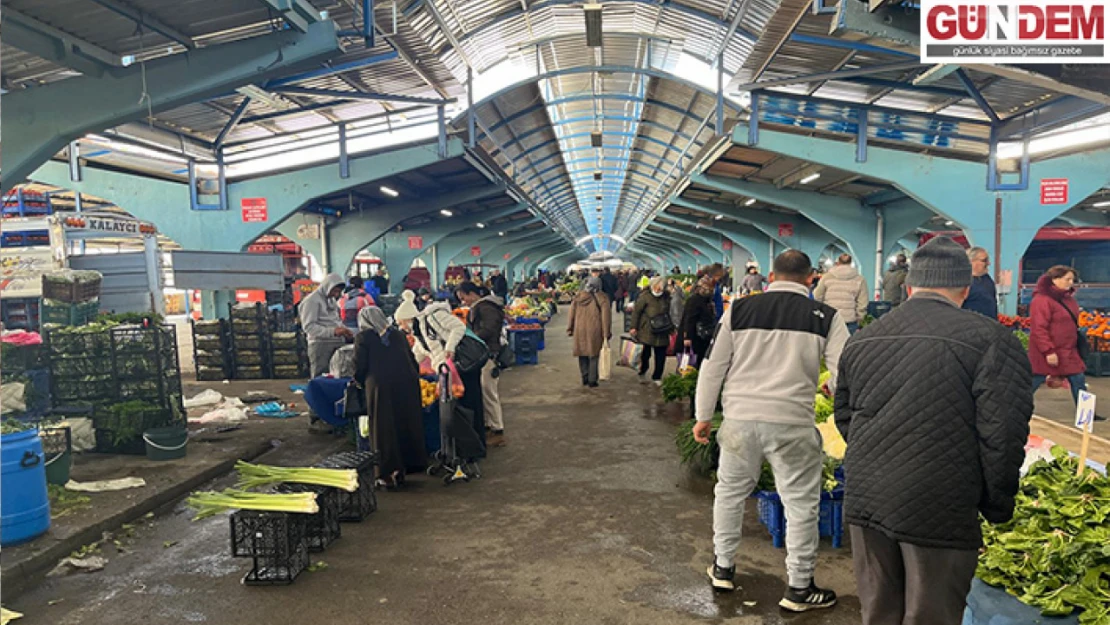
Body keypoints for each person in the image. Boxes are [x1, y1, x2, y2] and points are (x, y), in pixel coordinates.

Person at [834, 237, 1033, 625]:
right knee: (932, 615)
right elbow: (1003, 433)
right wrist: (997, 503)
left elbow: (846, 416)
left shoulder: (865, 339)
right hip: (940, 503)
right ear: (966, 287)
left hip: (866, 499)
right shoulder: (991, 340)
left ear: (910, 286)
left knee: (878, 612)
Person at [694, 250, 849, 611]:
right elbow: (845, 374)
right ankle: (799, 587)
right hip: (792, 423)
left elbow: (713, 366)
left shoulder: (739, 310)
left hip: (740, 421)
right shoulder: (827, 317)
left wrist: (703, 415)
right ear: (812, 278)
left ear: (770, 276)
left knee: (730, 493)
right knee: (800, 505)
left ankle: (723, 567)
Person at [394, 290, 486, 459]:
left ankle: (477, 447)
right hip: (449, 372)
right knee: (458, 408)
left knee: (470, 403)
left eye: (401, 323)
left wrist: (450, 348)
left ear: (408, 318)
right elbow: (418, 354)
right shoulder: (418, 334)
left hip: (464, 364)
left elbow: (458, 327)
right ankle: (467, 447)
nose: (402, 327)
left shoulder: (433, 317)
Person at [353, 307, 427, 489]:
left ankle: (385, 473)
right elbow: (412, 360)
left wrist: (359, 382)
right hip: (406, 384)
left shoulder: (364, 337)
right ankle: (402, 469)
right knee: (405, 423)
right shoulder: (398, 335)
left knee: (383, 428)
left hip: (380, 388)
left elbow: (359, 366)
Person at [1029, 266, 1097, 409]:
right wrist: (1048, 351)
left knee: (1078, 378)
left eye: (1072, 279)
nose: (1071, 282)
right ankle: (1014, 409)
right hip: (1047, 352)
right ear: (1055, 280)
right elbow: (1039, 328)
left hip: (1068, 350)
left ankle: (1086, 415)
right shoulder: (1042, 300)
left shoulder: (1069, 300)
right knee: (1034, 381)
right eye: (1067, 279)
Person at [456, 281, 507, 447]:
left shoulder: (486, 307)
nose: (464, 302)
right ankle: (488, 426)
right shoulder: (483, 306)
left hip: (489, 354)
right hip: (484, 353)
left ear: (472, 293)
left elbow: (489, 328)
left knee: (489, 392)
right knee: (484, 391)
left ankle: (497, 430)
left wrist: (471, 339)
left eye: (464, 298)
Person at [299, 273, 354, 377]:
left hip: (336, 342)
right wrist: (333, 331)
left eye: (338, 291)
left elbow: (336, 320)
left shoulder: (332, 300)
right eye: (334, 290)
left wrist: (344, 330)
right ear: (327, 286)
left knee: (337, 374)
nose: (336, 294)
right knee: (320, 377)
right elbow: (309, 327)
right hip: (320, 344)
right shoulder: (312, 301)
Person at [566, 276, 611, 387]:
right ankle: (592, 380)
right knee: (593, 354)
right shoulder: (602, 298)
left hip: (579, 329)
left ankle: (584, 377)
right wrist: (606, 333)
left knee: (582, 353)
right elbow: (606, 318)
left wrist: (570, 328)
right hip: (595, 329)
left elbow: (571, 314)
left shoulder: (578, 297)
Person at [629, 276, 672, 385]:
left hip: (662, 329)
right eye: (657, 287)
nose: (659, 290)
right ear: (653, 286)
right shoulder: (645, 297)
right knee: (645, 354)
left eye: (661, 288)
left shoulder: (666, 297)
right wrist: (634, 327)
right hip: (646, 329)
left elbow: (671, 311)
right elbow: (636, 312)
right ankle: (643, 371)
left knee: (661, 355)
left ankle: (657, 376)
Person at [678, 267, 722, 366]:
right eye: (710, 287)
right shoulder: (695, 300)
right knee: (692, 362)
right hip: (695, 336)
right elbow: (689, 319)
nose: (712, 290)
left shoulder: (707, 299)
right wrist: (687, 337)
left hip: (703, 335)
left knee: (701, 360)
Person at [813, 254, 868, 333]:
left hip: (830, 318)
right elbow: (862, 303)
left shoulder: (826, 277)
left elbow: (817, 296)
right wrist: (860, 319)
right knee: (848, 344)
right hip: (850, 320)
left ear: (838, 262)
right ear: (851, 262)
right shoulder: (860, 279)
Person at [962, 247, 998, 319]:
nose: (988, 263)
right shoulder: (962, 282)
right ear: (971, 261)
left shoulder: (987, 278)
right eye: (984, 260)